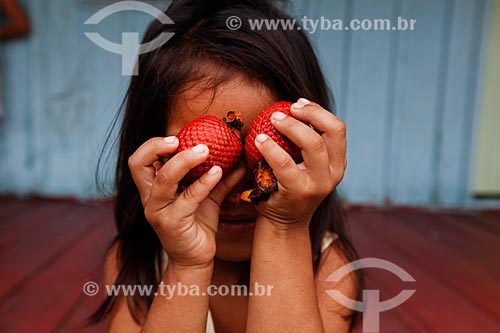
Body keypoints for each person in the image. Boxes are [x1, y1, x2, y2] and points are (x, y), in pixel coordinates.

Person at [91, 0, 362, 331]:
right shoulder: (137, 264)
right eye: (202, 157)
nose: (238, 189)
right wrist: (186, 265)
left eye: (276, 148)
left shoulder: (329, 268)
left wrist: (283, 226)